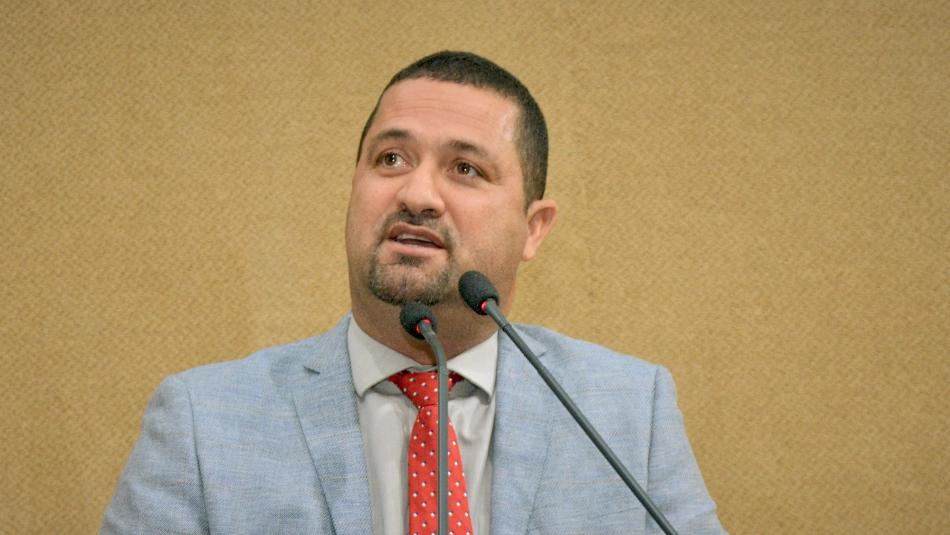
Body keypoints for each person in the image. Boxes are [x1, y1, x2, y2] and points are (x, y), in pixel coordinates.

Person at [101, 51, 725, 535]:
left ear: (533, 229)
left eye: (465, 169)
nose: (417, 195)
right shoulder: (202, 422)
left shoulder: (627, 412)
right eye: (392, 159)